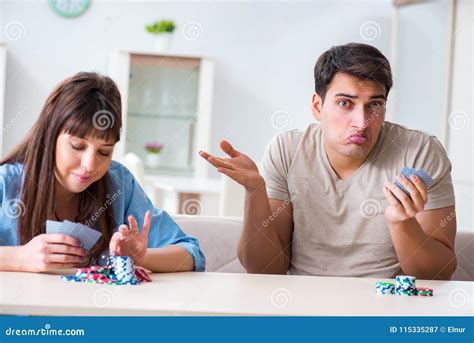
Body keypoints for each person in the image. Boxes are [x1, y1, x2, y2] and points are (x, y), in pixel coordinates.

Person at [200, 43, 456, 280]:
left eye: (374, 105)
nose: (361, 121)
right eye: (345, 103)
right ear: (317, 106)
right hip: (303, 307)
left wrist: (402, 223)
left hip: (387, 311)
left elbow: (439, 275)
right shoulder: (287, 150)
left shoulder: (420, 151)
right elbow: (265, 269)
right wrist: (255, 192)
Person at [0, 72, 205, 273]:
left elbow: (191, 253)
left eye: (104, 152)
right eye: (77, 146)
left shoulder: (119, 184)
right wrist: (19, 258)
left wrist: (144, 257)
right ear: (49, 136)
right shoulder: (5, 184)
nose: (90, 164)